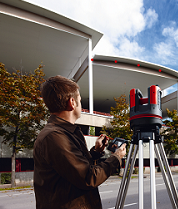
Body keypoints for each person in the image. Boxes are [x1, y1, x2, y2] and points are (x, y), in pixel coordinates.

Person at [33, 75, 126, 209]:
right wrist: (117, 157)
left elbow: (72, 169)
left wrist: (96, 152)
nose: (81, 104)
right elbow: (88, 178)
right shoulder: (54, 136)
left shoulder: (65, 132)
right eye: (80, 100)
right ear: (72, 103)